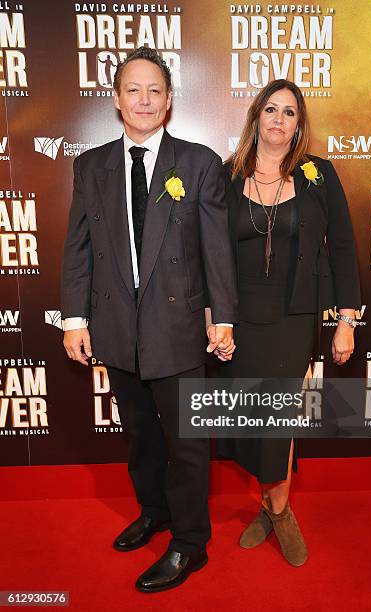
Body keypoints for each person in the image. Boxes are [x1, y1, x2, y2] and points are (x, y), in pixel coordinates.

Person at [61, 47, 238, 593]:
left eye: (154, 91)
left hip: (179, 326)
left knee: (186, 442)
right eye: (133, 90)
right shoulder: (91, 166)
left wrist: (223, 317)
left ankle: (190, 543)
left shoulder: (199, 162)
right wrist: (73, 317)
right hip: (116, 326)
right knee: (140, 435)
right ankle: (153, 511)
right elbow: (79, 246)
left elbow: (216, 249)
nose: (143, 100)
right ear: (116, 100)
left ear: (167, 102)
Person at [211, 79, 361, 566]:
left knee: (277, 421)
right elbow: (206, 254)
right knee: (252, 420)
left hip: (294, 318)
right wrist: (216, 318)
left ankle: (281, 512)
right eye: (270, 109)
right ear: (256, 117)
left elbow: (341, 249)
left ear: (299, 124)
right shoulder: (227, 175)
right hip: (240, 321)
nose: (278, 119)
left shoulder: (319, 174)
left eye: (289, 112)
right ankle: (269, 505)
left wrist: (346, 320)